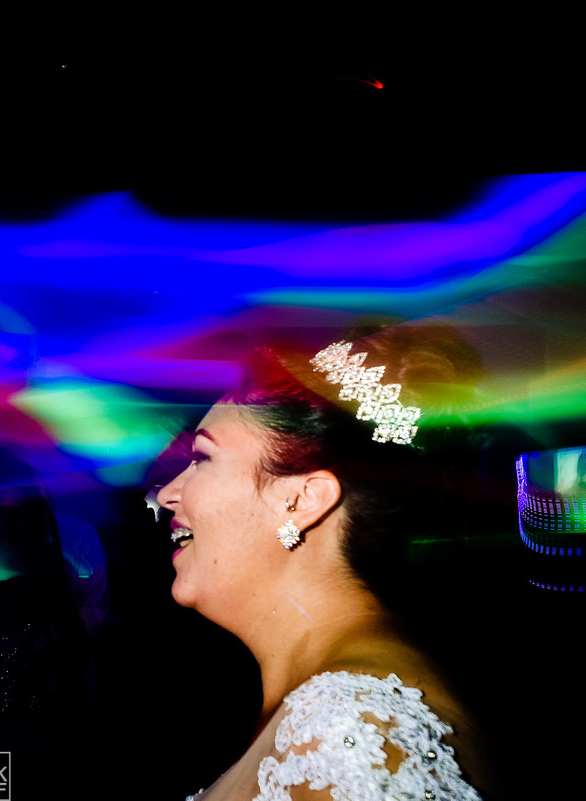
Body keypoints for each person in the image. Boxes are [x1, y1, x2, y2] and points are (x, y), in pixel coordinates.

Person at [153, 326, 496, 800]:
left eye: (202, 457)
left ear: (302, 500)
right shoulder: (333, 706)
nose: (167, 494)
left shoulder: (351, 733)